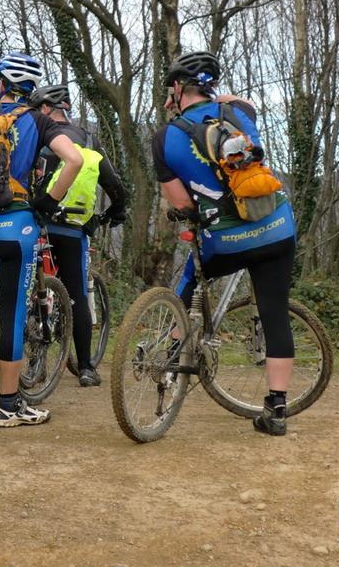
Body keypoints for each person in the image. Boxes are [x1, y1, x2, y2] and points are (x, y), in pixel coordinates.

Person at [153, 49, 297, 436]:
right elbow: (241, 101)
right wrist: (216, 97)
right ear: (210, 86)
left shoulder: (165, 138)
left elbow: (181, 203)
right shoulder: (241, 114)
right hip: (277, 226)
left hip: (225, 239)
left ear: (178, 88)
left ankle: (171, 355)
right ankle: (277, 409)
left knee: (189, 280)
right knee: (274, 310)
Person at [0, 54, 83, 428]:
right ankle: (9, 405)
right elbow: (73, 160)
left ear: (0, 85)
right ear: (29, 89)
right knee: (13, 312)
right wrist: (48, 201)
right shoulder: (38, 120)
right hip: (16, 229)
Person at [29, 83, 128, 387]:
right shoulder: (88, 140)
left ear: (46, 108)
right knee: (77, 295)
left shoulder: (37, 135)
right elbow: (115, 186)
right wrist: (116, 212)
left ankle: (34, 363)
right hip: (72, 228)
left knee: (32, 287)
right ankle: (85, 367)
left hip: (36, 223)